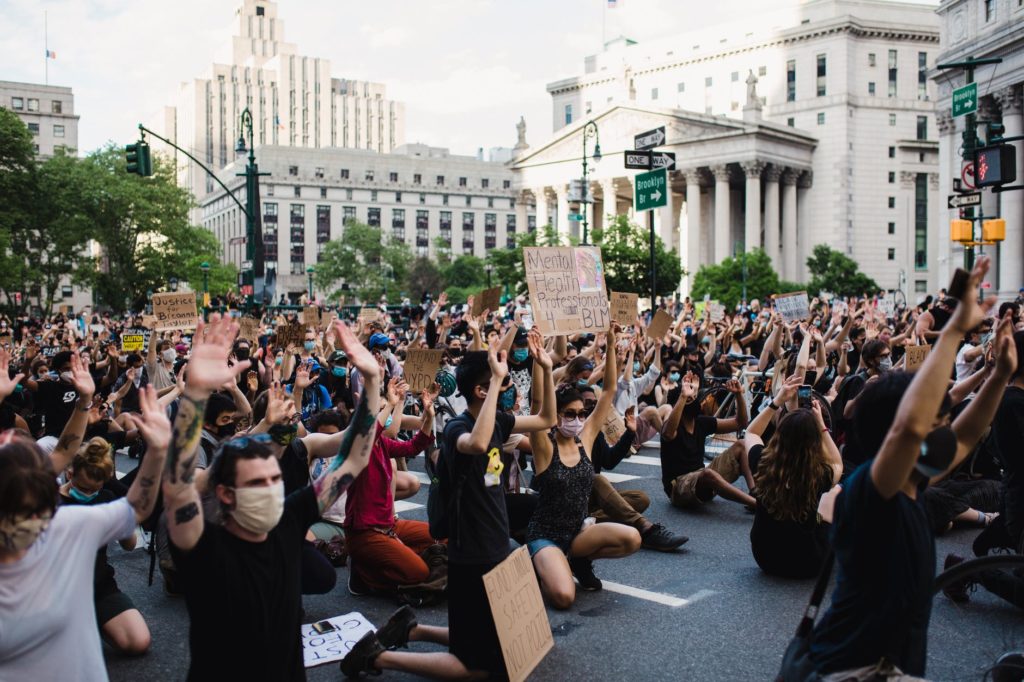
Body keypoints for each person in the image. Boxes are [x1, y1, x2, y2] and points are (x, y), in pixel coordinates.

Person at [808, 257, 1013, 679]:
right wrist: (954, 329)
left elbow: (967, 433)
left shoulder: (916, 478)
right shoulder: (870, 488)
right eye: (934, 422)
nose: (942, 430)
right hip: (850, 670)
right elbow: (910, 425)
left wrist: (997, 376)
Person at [162, 315, 381, 681]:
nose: (269, 490)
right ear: (225, 494)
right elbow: (178, 487)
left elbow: (354, 458)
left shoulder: (288, 519)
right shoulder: (203, 546)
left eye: (273, 480)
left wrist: (373, 381)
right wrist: (195, 396)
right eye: (256, 483)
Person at [341, 339, 556, 679]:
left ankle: (411, 631)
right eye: (501, 382)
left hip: (495, 544)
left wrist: (544, 367)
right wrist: (497, 382)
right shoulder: (459, 427)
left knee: (490, 638)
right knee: (478, 668)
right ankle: (375, 658)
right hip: (471, 551)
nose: (509, 386)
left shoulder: (498, 420)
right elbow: (478, 444)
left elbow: (547, 418)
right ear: (483, 390)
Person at [0, 363, 169, 681]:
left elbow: (137, 507)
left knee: (136, 639)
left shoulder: (69, 525)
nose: (33, 516)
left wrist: (158, 451)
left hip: (99, 590)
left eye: (38, 503)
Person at [527, 324, 642, 604]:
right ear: (556, 416)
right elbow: (537, 403)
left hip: (578, 533)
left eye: (581, 414)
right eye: (569, 414)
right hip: (546, 535)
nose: (577, 420)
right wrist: (542, 366)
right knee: (564, 597)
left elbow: (609, 390)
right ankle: (537, 565)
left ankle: (577, 560)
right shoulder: (544, 445)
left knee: (632, 539)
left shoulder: (586, 439)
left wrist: (612, 346)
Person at [58, 437, 152, 655]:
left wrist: (126, 521)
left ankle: (93, 621)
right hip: (57, 590)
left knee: (138, 642)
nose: (88, 494)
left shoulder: (107, 498)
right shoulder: (51, 503)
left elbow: (129, 545)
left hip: (98, 585)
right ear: (70, 473)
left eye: (94, 489)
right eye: (82, 487)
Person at [743, 375, 842, 578]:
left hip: (765, 558)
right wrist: (821, 425)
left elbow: (751, 433)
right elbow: (837, 463)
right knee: (836, 492)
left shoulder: (762, 462)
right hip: (808, 563)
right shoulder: (819, 474)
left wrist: (777, 400)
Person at [345, 383, 439, 596]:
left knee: (441, 537)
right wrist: (389, 406)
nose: (385, 415)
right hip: (365, 534)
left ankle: (395, 556)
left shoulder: (383, 444)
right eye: (380, 411)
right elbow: (369, 434)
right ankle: (365, 573)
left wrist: (429, 414)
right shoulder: (357, 444)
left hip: (390, 525)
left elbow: (414, 446)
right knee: (419, 573)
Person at [660, 372, 754, 509]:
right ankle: (756, 505)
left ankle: (755, 491)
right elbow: (668, 434)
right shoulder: (671, 426)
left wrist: (738, 394)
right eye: (688, 398)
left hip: (701, 480)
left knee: (742, 445)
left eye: (694, 396)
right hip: (679, 488)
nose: (693, 399)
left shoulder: (701, 422)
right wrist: (683, 395)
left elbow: (741, 423)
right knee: (708, 474)